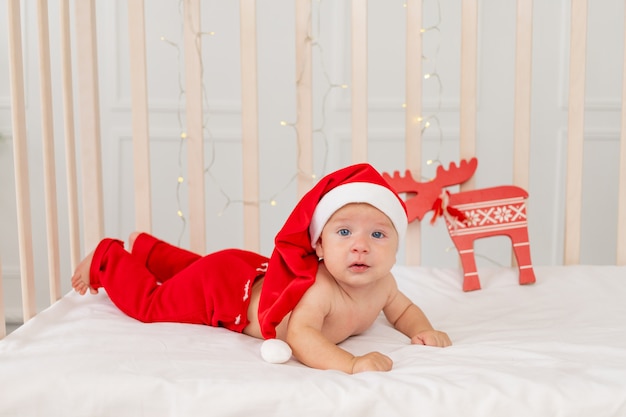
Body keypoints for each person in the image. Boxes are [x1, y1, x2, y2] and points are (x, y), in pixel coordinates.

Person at [72, 163, 451, 374]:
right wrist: (350, 364)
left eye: (379, 235)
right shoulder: (321, 290)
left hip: (246, 269)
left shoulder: (384, 284)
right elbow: (302, 337)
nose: (360, 245)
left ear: (397, 244)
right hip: (224, 293)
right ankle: (109, 258)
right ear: (318, 244)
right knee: (154, 304)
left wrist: (423, 330)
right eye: (344, 232)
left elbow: (403, 310)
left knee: (196, 268)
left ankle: (149, 251)